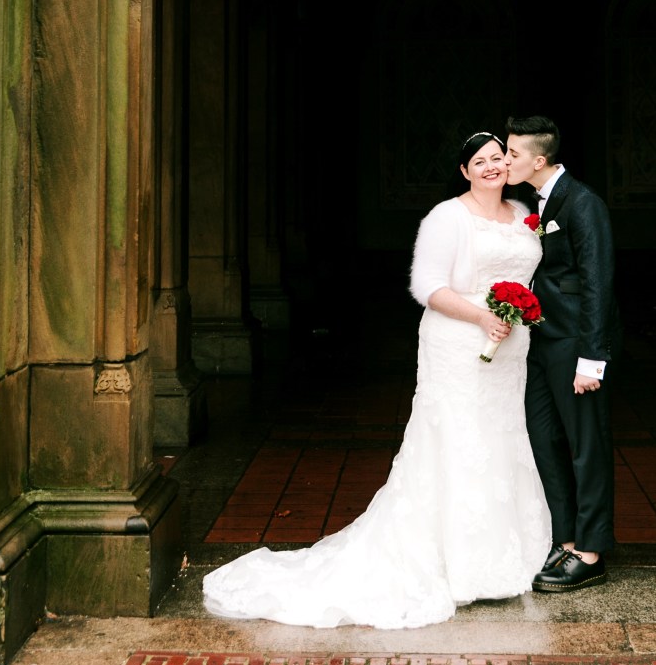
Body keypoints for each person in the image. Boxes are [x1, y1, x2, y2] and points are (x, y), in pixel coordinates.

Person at [202, 130, 550, 628]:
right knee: (457, 441)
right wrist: (480, 318)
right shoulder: (446, 217)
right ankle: (458, 562)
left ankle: (506, 554)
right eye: (480, 160)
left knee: (501, 438)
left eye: (499, 158)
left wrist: (516, 314)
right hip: (458, 345)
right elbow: (426, 285)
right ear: (464, 170)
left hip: (510, 352)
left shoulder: (523, 216)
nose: (491, 166)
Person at [504, 115, 621, 592]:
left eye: (512, 154)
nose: (506, 161)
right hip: (542, 342)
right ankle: (567, 538)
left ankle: (591, 552)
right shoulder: (540, 201)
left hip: (575, 344)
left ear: (539, 159)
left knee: (586, 446)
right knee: (545, 437)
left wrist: (592, 359)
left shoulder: (583, 203)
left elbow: (598, 282)